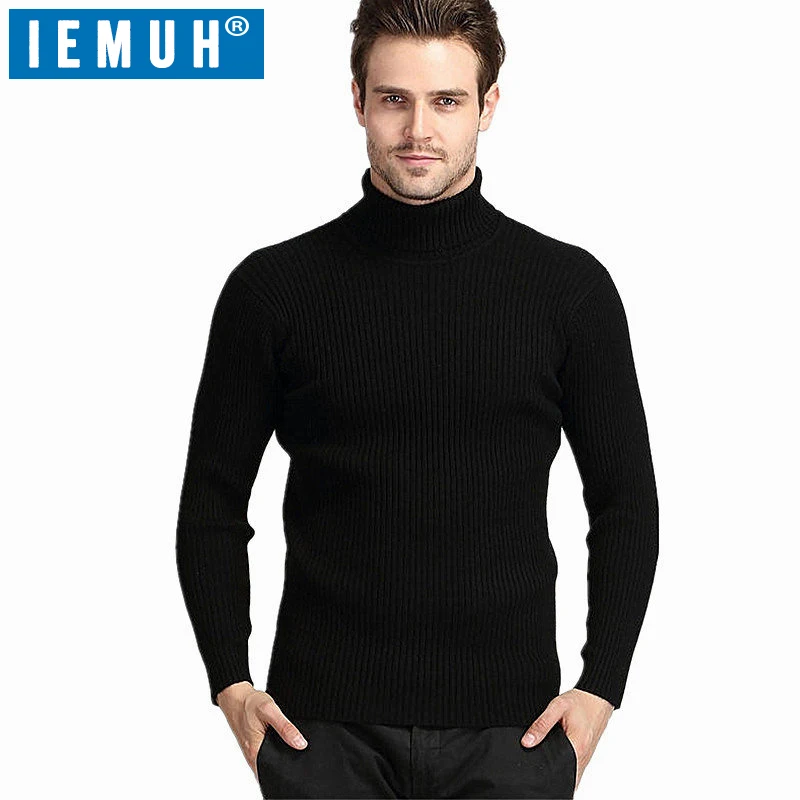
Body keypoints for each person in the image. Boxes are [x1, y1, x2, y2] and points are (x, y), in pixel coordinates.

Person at [175, 0, 659, 797]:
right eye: (394, 99)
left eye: (447, 101)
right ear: (358, 100)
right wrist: (229, 680)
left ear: (488, 106)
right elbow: (213, 499)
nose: (418, 130)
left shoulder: (568, 291)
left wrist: (602, 686)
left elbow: (626, 502)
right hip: (320, 734)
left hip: (514, 734)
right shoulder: (274, 291)